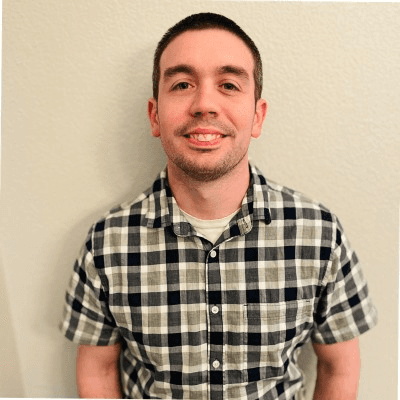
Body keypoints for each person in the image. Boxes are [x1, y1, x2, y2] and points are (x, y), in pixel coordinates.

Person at [60, 12, 377, 400]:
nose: (204, 104)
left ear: (257, 116)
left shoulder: (320, 235)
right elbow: (98, 369)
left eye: (228, 85)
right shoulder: (106, 244)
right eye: (182, 84)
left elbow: (339, 367)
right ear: (155, 115)